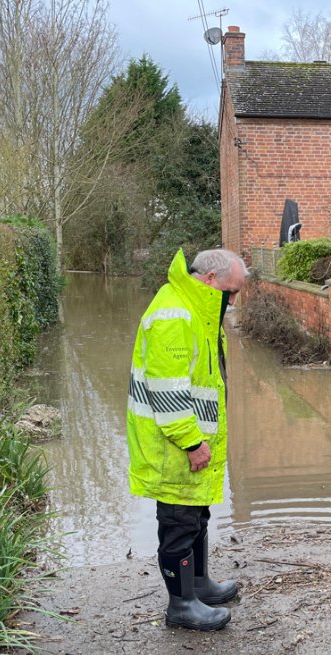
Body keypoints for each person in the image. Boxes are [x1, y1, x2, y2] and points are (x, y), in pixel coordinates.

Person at [126, 248, 249, 631]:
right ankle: (181, 605)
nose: (232, 301)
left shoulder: (197, 309)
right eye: (232, 293)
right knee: (179, 521)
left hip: (191, 441)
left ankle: (199, 584)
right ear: (210, 281)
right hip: (174, 445)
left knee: (197, 513)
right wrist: (192, 442)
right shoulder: (175, 315)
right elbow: (168, 390)